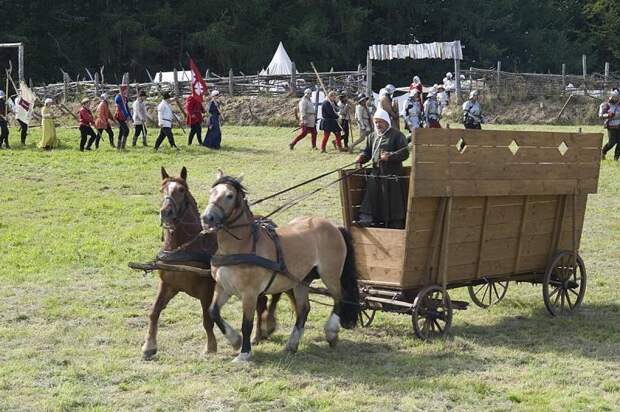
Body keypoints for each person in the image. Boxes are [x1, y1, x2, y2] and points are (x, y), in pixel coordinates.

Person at [355, 108, 409, 229]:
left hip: (392, 174)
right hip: (376, 173)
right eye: (376, 122)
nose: (378, 124)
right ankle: (366, 217)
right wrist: (361, 158)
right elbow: (367, 153)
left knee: (393, 199)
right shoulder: (372, 136)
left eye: (380, 122)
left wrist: (390, 156)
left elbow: (405, 153)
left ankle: (395, 221)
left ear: (386, 122)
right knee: (371, 190)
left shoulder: (397, 135)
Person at [600, 89, 620, 160]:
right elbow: (600, 115)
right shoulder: (606, 105)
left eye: (616, 98)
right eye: (613, 97)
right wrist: (608, 115)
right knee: (612, 143)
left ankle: (616, 158)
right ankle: (603, 152)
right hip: (611, 126)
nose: (615, 99)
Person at [114, 84, 131, 150]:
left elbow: (126, 107)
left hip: (124, 116)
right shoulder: (118, 97)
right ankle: (121, 146)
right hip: (119, 116)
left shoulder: (125, 97)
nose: (126, 91)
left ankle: (119, 146)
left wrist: (129, 116)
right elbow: (120, 107)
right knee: (126, 130)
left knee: (122, 130)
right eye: (125, 89)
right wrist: (126, 115)